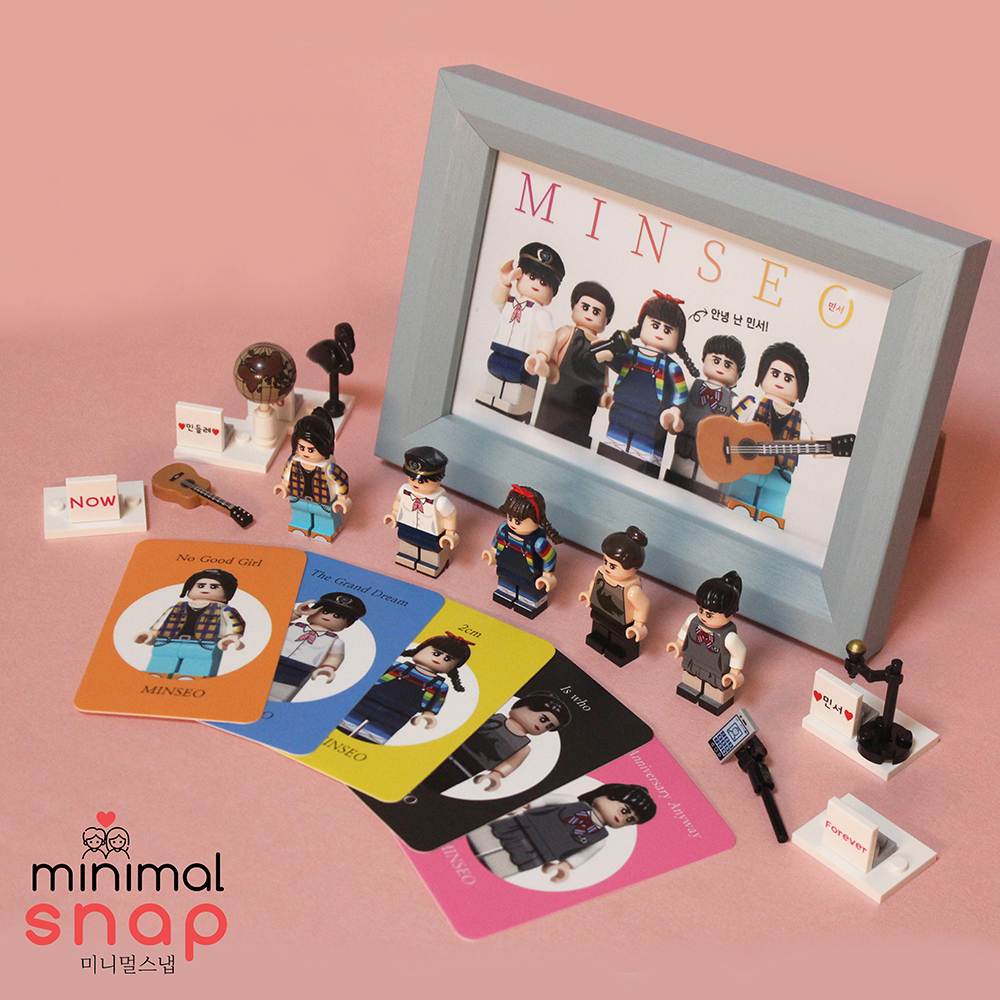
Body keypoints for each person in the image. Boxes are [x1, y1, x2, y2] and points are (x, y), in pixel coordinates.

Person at [466, 782, 657, 883]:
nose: (623, 818)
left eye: (630, 820)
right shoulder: (570, 801)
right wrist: (525, 805)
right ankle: (458, 849)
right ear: (607, 794)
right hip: (520, 826)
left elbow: (581, 856)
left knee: (494, 867)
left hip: (537, 853)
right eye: (624, 810)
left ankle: (470, 877)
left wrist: (565, 866)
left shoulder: (599, 840)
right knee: (478, 839)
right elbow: (545, 800)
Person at [596, 291, 699, 477]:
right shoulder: (629, 353)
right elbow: (611, 359)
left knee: (643, 463)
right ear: (641, 325)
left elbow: (680, 394)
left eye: (667, 330)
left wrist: (675, 412)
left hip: (652, 421)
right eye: (655, 325)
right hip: (621, 410)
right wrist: (605, 352)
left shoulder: (672, 367)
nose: (660, 332)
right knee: (611, 452)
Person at [721, 342, 810, 527]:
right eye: (775, 374)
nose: (780, 381)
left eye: (788, 378)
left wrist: (824, 446)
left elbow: (810, 440)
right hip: (747, 465)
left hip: (780, 472)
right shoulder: (751, 404)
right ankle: (739, 503)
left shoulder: (798, 420)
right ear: (762, 375)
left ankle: (771, 515)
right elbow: (730, 424)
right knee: (743, 489)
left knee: (775, 495)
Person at [476, 242, 565, 421]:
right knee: (494, 375)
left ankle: (517, 409)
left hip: (524, 360)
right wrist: (504, 281)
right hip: (499, 351)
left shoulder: (540, 314)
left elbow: (548, 336)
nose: (536, 284)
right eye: (531, 276)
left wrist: (541, 356)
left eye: (544, 282)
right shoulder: (510, 303)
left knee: (516, 386)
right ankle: (491, 399)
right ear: (519, 275)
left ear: (552, 293)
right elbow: (497, 300)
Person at [422, 692, 571, 793]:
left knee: (435, 786)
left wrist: (497, 775)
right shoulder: (491, 718)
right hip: (448, 751)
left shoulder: (523, 748)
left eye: (549, 726)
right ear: (523, 706)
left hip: (468, 769)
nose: (543, 725)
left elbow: (511, 764)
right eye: (543, 719)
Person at [337, 633, 473, 745]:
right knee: (341, 728)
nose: (440, 659)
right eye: (436, 653)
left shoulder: (440, 685)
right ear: (420, 650)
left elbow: (436, 704)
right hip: (365, 701)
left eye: (448, 659)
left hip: (398, 715)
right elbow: (371, 677)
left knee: (372, 739)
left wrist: (429, 715)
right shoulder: (397, 666)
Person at [533, 281, 616, 448]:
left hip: (587, 402)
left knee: (576, 440)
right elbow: (553, 351)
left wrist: (604, 396)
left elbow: (604, 375)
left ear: (605, 320)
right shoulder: (567, 332)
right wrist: (550, 367)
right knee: (547, 432)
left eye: (596, 312)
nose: (590, 314)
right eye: (585, 307)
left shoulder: (604, 346)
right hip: (559, 392)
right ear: (574, 307)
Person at [666, 334, 746, 499]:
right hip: (685, 444)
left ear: (737, 376)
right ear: (704, 360)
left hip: (713, 454)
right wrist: (674, 417)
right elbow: (678, 404)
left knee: (705, 489)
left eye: (728, 365)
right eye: (715, 360)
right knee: (677, 483)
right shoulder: (692, 386)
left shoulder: (734, 400)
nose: (720, 366)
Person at [134, 569, 245, 678]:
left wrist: (232, 637)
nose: (205, 589)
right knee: (161, 663)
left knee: (197, 666)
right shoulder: (175, 608)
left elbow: (235, 625)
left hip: (204, 644)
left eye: (213, 587)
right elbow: (160, 624)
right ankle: (156, 677)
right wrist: (151, 635)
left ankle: (190, 679)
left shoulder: (225, 610)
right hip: (167, 642)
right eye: (200, 586)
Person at [668, 571, 747, 715]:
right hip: (693, 660)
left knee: (715, 689)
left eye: (710, 614)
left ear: (729, 613)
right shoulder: (692, 620)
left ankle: (714, 700)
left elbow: (739, 652)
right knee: (691, 677)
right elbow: (684, 632)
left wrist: (735, 673)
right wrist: (678, 644)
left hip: (716, 670)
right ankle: (690, 689)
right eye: (701, 610)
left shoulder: (729, 637)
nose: (703, 616)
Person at [269, 592, 368, 702]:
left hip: (299, 670)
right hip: (271, 659)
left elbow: (335, 657)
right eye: (325, 612)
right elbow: (275, 623)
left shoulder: (334, 641)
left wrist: (328, 667)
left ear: (347, 624)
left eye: (337, 616)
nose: (328, 617)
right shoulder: (293, 626)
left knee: (278, 695)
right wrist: (297, 613)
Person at [482, 485, 563, 619]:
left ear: (537, 520)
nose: (512, 523)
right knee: (506, 582)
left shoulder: (538, 542)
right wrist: (492, 553)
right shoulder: (503, 529)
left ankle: (529, 603)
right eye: (510, 517)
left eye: (518, 521)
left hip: (529, 575)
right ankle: (506, 593)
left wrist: (547, 576)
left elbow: (550, 556)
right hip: (506, 567)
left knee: (529, 591)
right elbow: (496, 543)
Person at [274, 407, 350, 541]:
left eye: (311, 450)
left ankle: (325, 531)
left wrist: (341, 499)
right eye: (301, 448)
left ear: (323, 447)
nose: (305, 453)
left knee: (325, 517)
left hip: (323, 501)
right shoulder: (294, 461)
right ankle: (300, 526)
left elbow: (342, 480)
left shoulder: (329, 468)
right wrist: (284, 485)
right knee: (300, 512)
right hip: (299, 497)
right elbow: (286, 475)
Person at [580, 527, 650, 667]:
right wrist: (588, 594)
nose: (606, 567)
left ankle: (619, 651)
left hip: (621, 622)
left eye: (613, 566)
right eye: (605, 561)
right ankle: (598, 640)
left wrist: (638, 625)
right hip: (601, 611)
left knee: (619, 637)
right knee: (599, 626)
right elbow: (595, 583)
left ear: (632, 567)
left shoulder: (632, 590)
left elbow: (643, 606)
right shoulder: (600, 573)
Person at [384, 446, 458, 578]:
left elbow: (450, 515)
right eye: (412, 478)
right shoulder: (405, 490)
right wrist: (394, 514)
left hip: (431, 532)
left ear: (438, 479)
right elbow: (398, 502)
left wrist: (450, 534)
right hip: (407, 525)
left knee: (431, 550)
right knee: (407, 542)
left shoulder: (440, 501)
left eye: (422, 481)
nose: (415, 483)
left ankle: (431, 564)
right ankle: (407, 556)